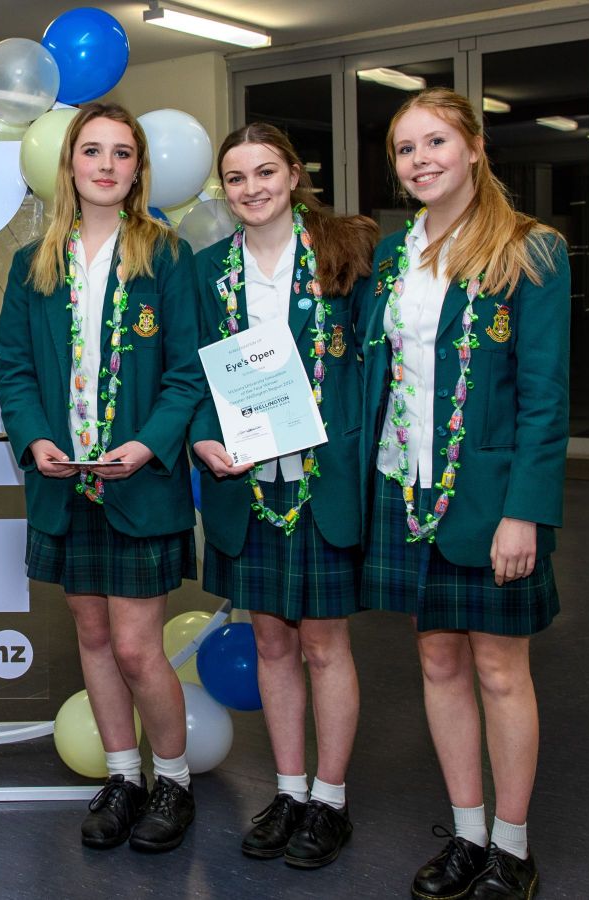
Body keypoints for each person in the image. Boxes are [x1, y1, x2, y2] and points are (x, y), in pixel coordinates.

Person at [359, 88, 570, 900]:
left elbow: (546, 398)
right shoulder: (392, 255)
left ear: (475, 147)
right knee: (436, 658)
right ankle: (468, 832)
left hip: (490, 498)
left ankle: (512, 848)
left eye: (436, 142)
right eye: (406, 149)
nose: (421, 160)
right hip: (405, 487)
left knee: (500, 670)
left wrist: (526, 511)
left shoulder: (530, 249)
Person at [0, 102, 204, 853]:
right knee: (90, 633)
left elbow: (186, 374)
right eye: (93, 151)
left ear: (138, 170)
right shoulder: (34, 265)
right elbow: (13, 368)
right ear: (71, 166)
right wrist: (35, 438)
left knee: (138, 646)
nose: (107, 165)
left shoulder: (167, 256)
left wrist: (148, 447)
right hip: (65, 481)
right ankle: (122, 775)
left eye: (122, 153)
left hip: (140, 483)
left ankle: (172, 779)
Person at [189, 123, 378, 869]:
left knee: (325, 645)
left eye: (265, 172)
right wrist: (204, 434)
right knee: (271, 640)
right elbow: (196, 373)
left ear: (294, 174)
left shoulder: (343, 254)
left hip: (324, 480)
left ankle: (330, 800)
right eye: (235, 178)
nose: (252, 189)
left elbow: (373, 366)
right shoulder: (210, 273)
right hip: (249, 487)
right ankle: (290, 789)